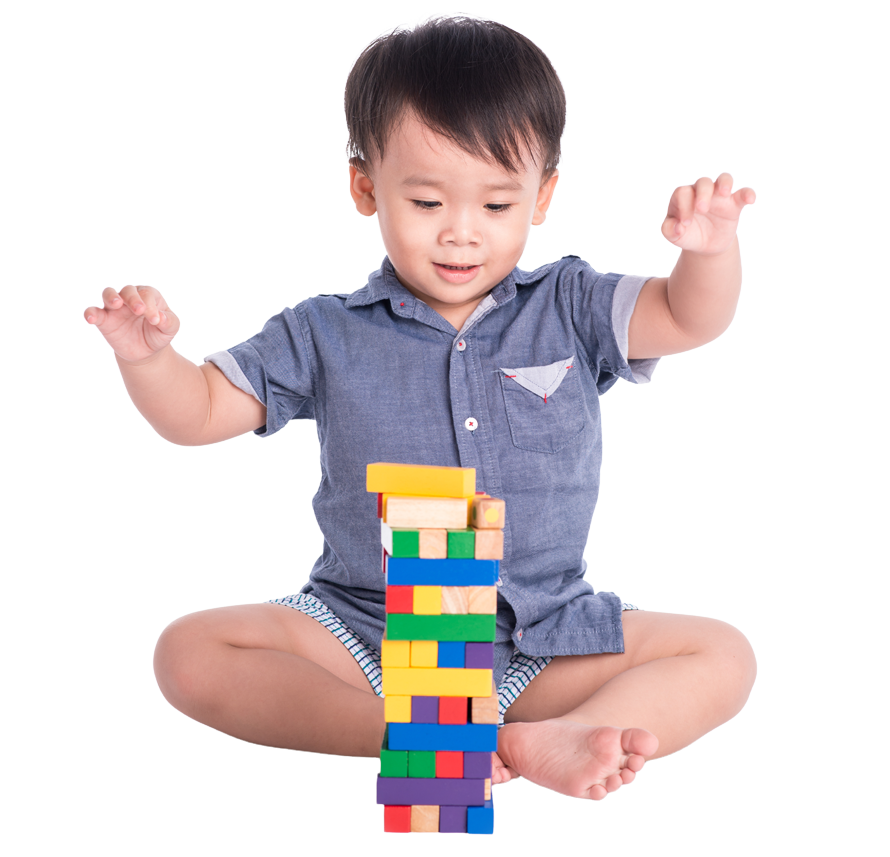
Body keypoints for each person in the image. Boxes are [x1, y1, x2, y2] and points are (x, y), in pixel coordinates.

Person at [84, 14, 757, 803]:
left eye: (497, 206)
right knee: (188, 652)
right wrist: (148, 357)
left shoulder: (570, 303)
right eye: (429, 200)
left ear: (543, 197)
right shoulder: (325, 329)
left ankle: (553, 731)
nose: (462, 233)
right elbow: (194, 412)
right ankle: (413, 735)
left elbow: (687, 316)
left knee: (723, 654)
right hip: (366, 632)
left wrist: (707, 252)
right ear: (366, 186)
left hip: (542, 636)